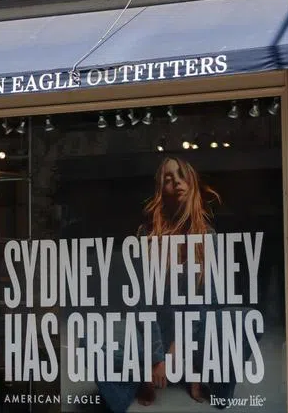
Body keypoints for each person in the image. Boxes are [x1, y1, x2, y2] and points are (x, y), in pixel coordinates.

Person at [98, 156, 225, 412]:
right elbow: (141, 301)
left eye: (181, 176)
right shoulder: (146, 236)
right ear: (160, 191)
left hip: (192, 336)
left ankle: (196, 369)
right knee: (90, 341)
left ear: (191, 183)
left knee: (244, 322)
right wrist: (156, 356)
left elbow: (206, 302)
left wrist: (174, 353)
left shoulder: (208, 236)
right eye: (168, 179)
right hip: (154, 332)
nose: (176, 182)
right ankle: (141, 377)